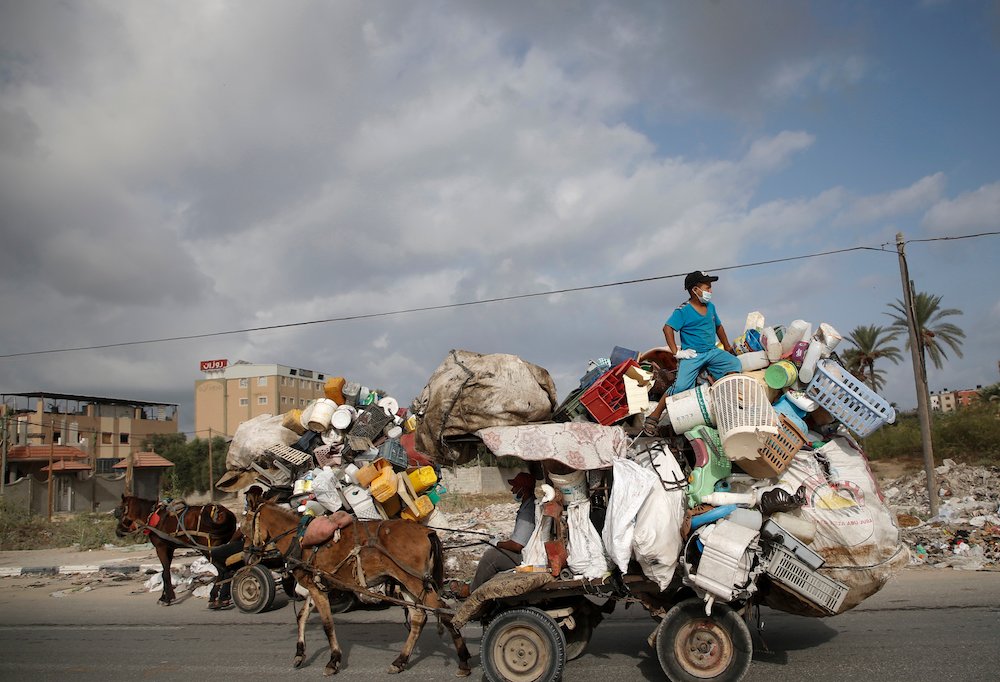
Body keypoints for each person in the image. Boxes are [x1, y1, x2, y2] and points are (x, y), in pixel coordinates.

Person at [645, 270, 740, 435]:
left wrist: (727, 347)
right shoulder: (683, 310)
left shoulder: (711, 307)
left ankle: (726, 403)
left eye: (710, 288)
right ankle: (654, 416)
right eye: (707, 288)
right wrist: (677, 352)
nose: (710, 291)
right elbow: (667, 329)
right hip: (692, 355)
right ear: (694, 290)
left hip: (711, 351)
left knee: (734, 364)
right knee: (681, 387)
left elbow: (718, 326)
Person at [447, 472, 537, 599]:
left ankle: (472, 591)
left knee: (491, 556)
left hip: (524, 558)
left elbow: (517, 545)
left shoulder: (527, 512)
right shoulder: (527, 506)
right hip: (526, 552)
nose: (512, 489)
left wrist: (498, 543)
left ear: (523, 489)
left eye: (515, 486)